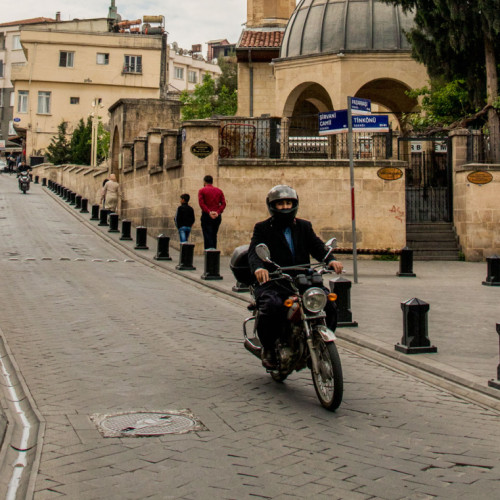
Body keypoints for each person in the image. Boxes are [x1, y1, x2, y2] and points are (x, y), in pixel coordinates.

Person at [248, 185, 343, 369]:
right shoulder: (263, 228)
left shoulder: (304, 226)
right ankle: (268, 348)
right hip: (274, 281)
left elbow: (316, 246)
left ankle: (321, 344)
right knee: (271, 306)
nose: (285, 207)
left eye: (288, 202)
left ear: (295, 204)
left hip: (302, 280)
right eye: (280, 203)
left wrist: (330, 260)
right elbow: (254, 251)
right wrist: (260, 268)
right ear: (272, 206)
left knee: (329, 304)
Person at [198, 175, 226, 250]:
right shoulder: (219, 191)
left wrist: (209, 212)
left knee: (207, 235)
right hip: (217, 216)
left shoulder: (202, 191)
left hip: (206, 216)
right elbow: (223, 204)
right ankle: (214, 252)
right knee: (214, 234)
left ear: (204, 182)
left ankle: (209, 254)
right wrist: (217, 212)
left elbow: (201, 204)